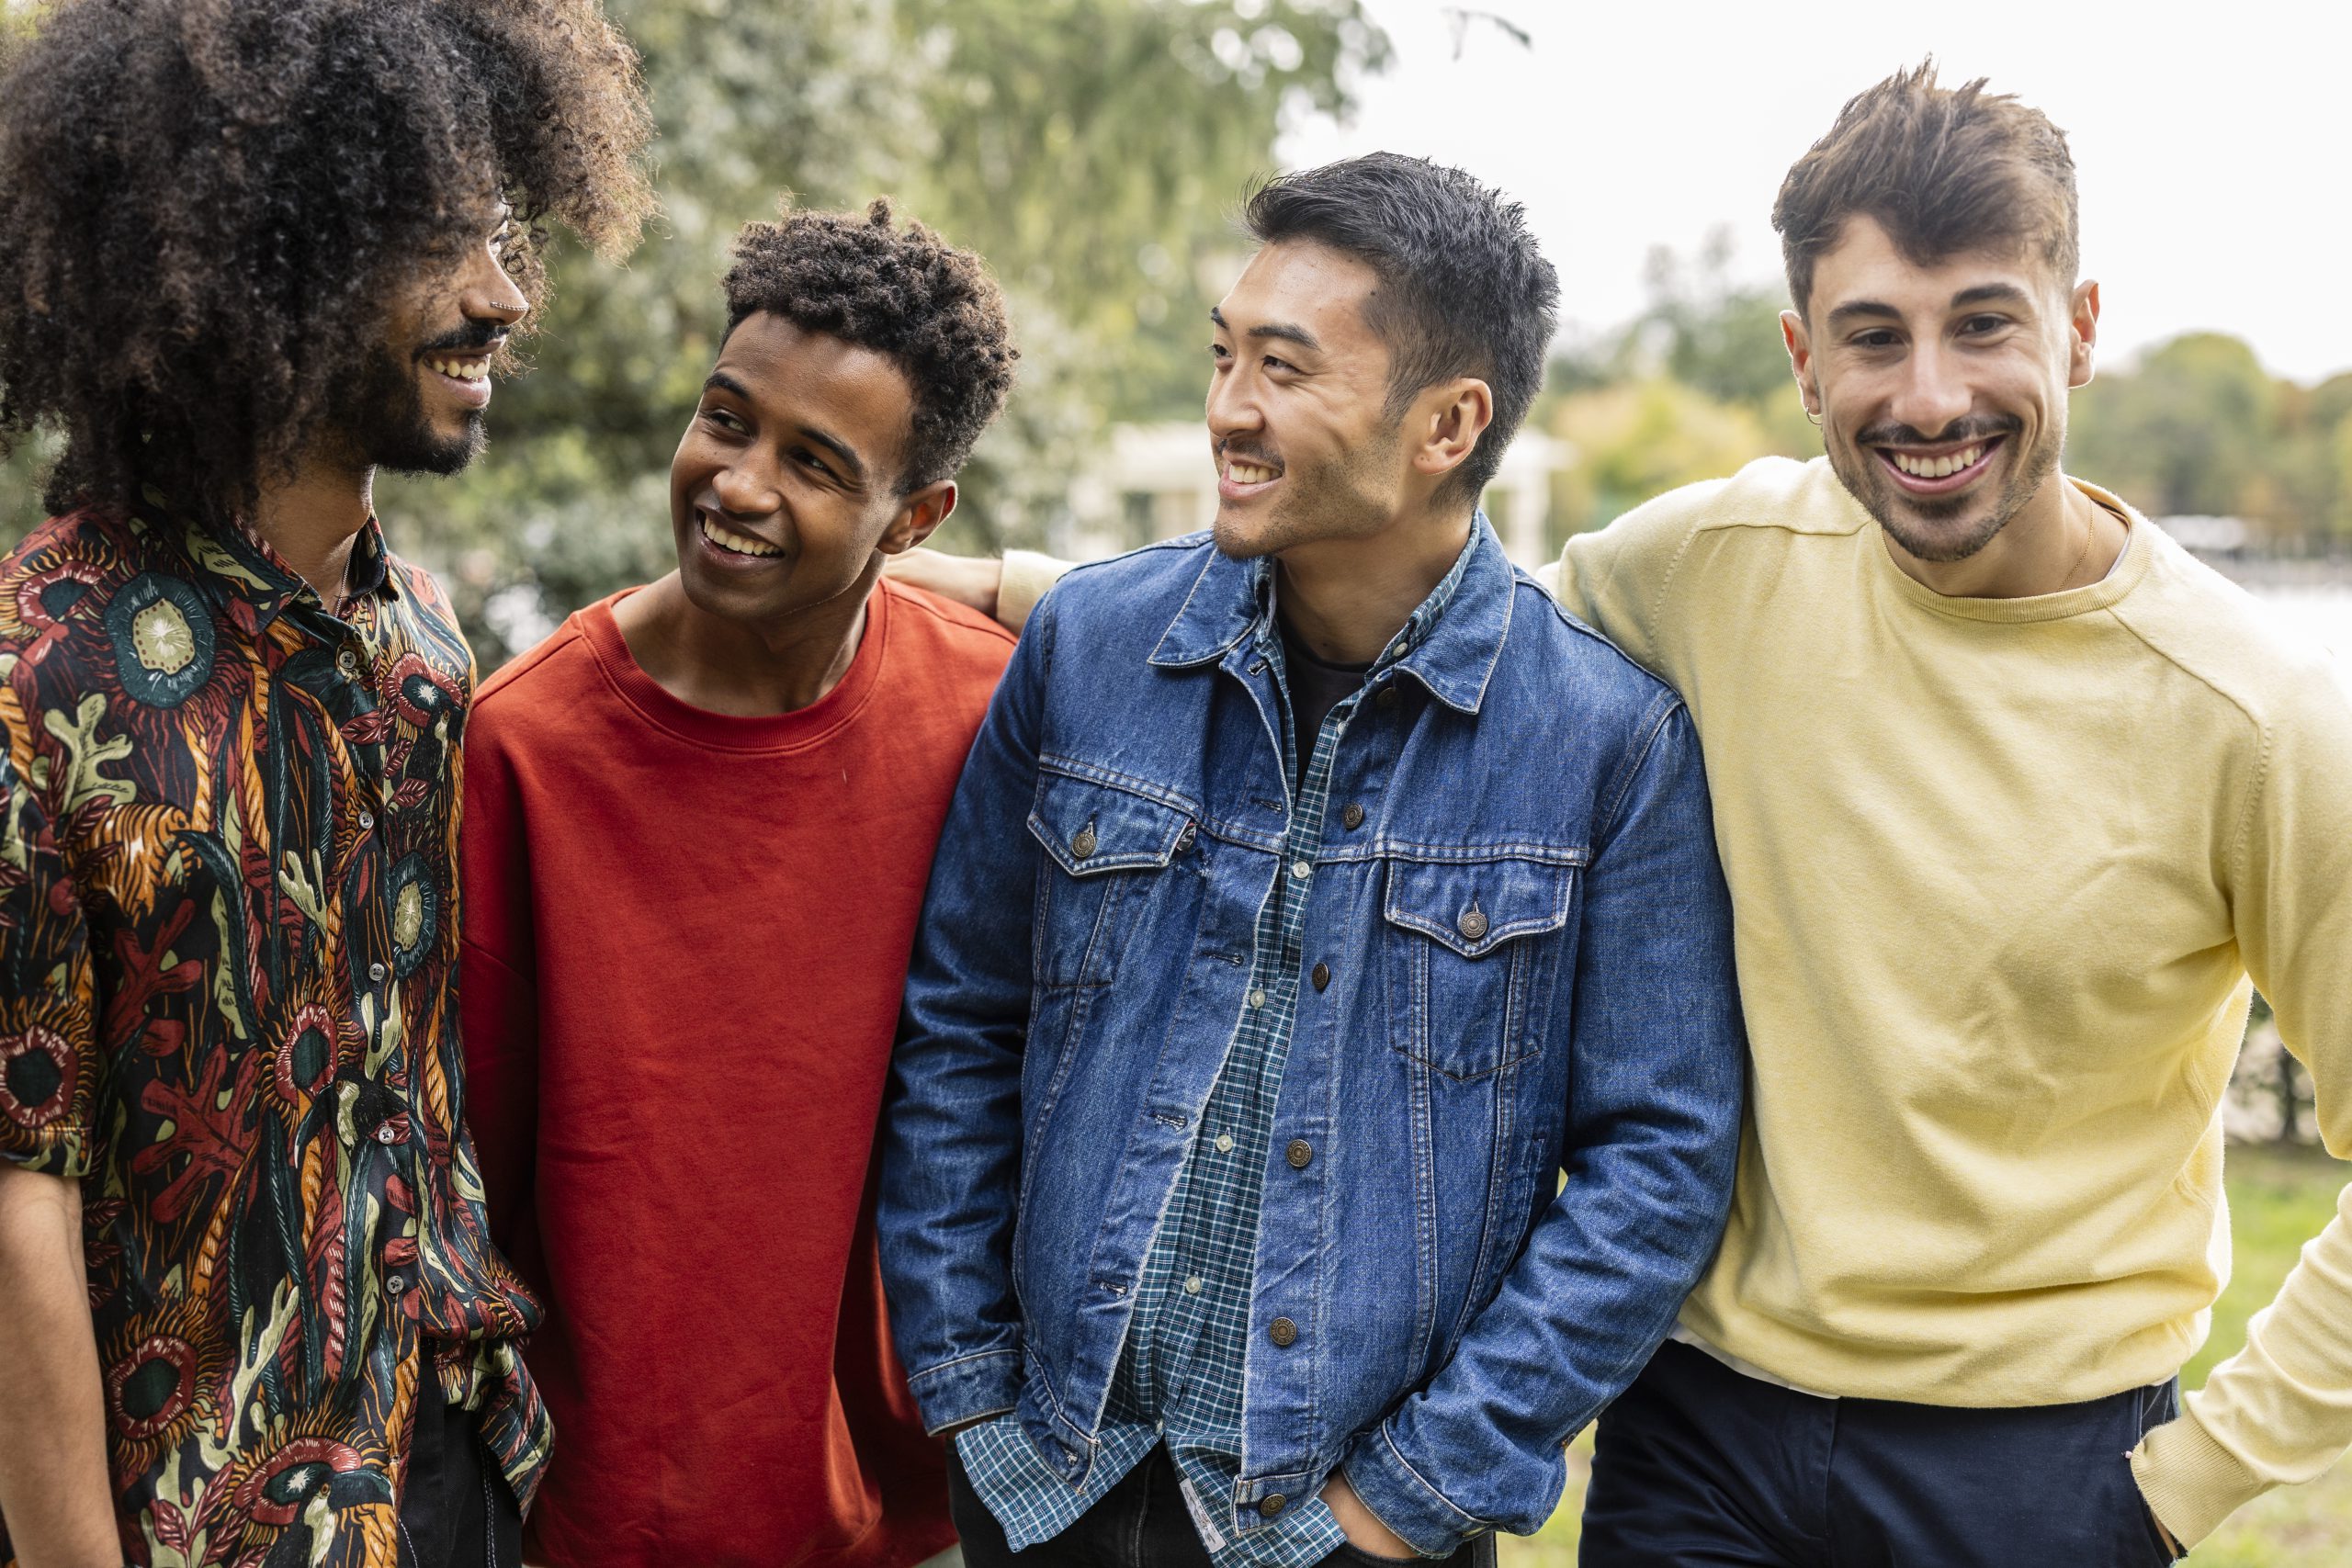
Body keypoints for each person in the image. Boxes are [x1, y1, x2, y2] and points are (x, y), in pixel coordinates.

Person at [900, 65, 2352, 1565]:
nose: (1929, 397)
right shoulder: (1707, 565)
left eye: (1984, 323)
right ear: (1801, 357)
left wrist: (2192, 1483)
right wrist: (1019, 594)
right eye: (1873, 337)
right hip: (1698, 1442)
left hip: (2028, 1467)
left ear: (2083, 328)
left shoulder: (2255, 716)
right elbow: (1415, 603)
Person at [876, 152, 1747, 1568]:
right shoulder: (1090, 650)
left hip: (1353, 1526)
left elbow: (1659, 1168)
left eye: (1284, 368)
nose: (1230, 407)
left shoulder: (1609, 747)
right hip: (1050, 1490)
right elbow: (964, 1020)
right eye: (1225, 356)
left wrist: (1402, 1501)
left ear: (1448, 423)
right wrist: (970, 1392)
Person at [0, 4, 651, 1565]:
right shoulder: (37, 675)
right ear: (261, 256)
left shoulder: (422, 645)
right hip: (190, 1526)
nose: (504, 298)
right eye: (443, 243)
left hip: (455, 1466)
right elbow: (16, 1190)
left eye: (504, 236)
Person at [457, 200, 1017, 1568]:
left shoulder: (988, 713)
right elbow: (466, 1175)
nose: (741, 483)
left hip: (917, 1507)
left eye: (817, 462)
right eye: (726, 418)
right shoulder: (524, 746)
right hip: (613, 1517)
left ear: (916, 517)